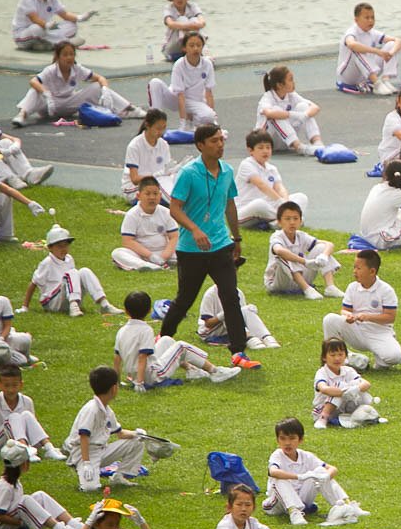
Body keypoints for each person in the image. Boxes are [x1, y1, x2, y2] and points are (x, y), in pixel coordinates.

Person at [159, 124, 260, 370]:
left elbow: (230, 205)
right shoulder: (188, 173)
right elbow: (174, 208)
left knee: (230, 296)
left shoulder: (226, 171)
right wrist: (194, 230)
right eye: (214, 141)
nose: (220, 145)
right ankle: (163, 340)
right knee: (185, 299)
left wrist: (236, 239)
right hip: (191, 249)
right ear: (200, 145)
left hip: (220, 246)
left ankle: (238, 352)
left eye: (221, 140)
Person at [114, 290, 240, 390]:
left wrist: (117, 382)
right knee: (181, 346)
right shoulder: (145, 330)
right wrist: (140, 383)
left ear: (126, 310)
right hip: (150, 376)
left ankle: (192, 370)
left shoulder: (122, 331)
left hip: (134, 375)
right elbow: (142, 357)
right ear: (148, 311)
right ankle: (215, 371)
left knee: (166, 340)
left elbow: (117, 359)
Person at [12, 42, 143, 128]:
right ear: (58, 57)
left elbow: (99, 78)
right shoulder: (51, 70)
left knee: (96, 87)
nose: (69, 58)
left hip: (70, 103)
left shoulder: (77, 69)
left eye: (71, 54)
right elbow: (33, 81)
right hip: (50, 104)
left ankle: (130, 109)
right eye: (65, 55)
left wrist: (105, 90)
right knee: (34, 91)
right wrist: (46, 93)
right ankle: (22, 115)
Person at [264, 417, 366, 525]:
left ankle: (344, 506)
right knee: (279, 479)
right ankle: (294, 512)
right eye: (283, 438)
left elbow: (333, 469)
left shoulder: (306, 456)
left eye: (292, 438)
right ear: (277, 440)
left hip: (302, 499)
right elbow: (273, 472)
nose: (287, 443)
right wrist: (298, 476)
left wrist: (326, 477)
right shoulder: (277, 455)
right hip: (277, 504)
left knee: (320, 472)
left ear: (301, 439)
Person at [63, 366, 147, 491]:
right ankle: (84, 471)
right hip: (84, 453)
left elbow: (120, 434)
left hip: (101, 450)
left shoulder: (107, 410)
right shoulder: (91, 409)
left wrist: (138, 434)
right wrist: (86, 463)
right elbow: (83, 436)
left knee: (138, 441)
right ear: (114, 388)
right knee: (90, 488)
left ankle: (120, 476)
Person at [322, 250, 401, 369]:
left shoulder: (386, 290)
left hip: (379, 332)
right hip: (356, 330)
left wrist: (367, 317)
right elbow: (344, 310)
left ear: (372, 271)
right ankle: (341, 358)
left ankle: (377, 362)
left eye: (359, 268)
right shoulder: (352, 287)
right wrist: (348, 316)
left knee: (394, 356)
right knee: (329, 319)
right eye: (354, 267)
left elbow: (390, 317)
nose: (354, 271)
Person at [24, 224, 122, 317]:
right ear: (50, 248)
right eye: (59, 246)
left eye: (65, 245)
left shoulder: (69, 259)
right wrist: (25, 306)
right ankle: (73, 306)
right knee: (73, 272)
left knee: (84, 271)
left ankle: (104, 304)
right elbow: (34, 283)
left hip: (65, 297)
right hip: (52, 303)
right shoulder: (47, 263)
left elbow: (73, 281)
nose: (63, 249)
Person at [0, 440, 79, 529]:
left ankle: (73, 523)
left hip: (6, 523)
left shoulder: (14, 482)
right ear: (24, 464)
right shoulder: (5, 487)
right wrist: (20, 523)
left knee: (40, 495)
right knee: (25, 500)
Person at [264, 202, 342, 300]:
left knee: (321, 248)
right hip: (279, 283)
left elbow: (329, 244)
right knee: (285, 256)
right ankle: (307, 289)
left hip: (299, 279)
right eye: (287, 219)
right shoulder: (277, 236)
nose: (292, 222)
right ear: (279, 222)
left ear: (301, 221)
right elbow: (279, 251)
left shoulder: (301, 236)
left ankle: (330, 287)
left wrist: (324, 256)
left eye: (295, 219)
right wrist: (304, 261)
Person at [235, 130, 310, 227]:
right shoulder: (246, 164)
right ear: (251, 150)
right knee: (259, 204)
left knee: (301, 197)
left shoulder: (272, 168)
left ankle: (280, 221)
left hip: (269, 206)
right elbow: (261, 185)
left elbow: (279, 187)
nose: (265, 151)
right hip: (246, 209)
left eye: (268, 147)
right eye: (261, 148)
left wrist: (286, 202)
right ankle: (289, 219)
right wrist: (280, 202)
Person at [146, 32, 216, 130]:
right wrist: (182, 123)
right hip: (175, 98)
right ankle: (154, 123)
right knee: (155, 83)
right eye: (191, 45)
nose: (195, 48)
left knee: (209, 116)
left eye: (199, 45)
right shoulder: (179, 65)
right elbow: (180, 95)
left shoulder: (207, 64)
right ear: (184, 48)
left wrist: (212, 117)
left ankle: (194, 122)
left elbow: (209, 93)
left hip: (195, 102)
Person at [12, 0, 91, 52]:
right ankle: (65, 43)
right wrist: (46, 25)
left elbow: (64, 14)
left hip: (45, 31)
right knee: (37, 28)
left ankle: (44, 45)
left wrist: (81, 17)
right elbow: (34, 19)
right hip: (23, 36)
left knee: (71, 25)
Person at [0, 364, 64, 460]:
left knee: (26, 415)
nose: (10, 390)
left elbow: (31, 426)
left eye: (14, 385)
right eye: (6, 386)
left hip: (18, 439)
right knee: (13, 417)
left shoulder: (27, 401)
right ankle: (25, 450)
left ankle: (49, 447)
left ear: (21, 384)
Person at [112, 177, 178, 271]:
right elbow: (128, 241)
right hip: (140, 254)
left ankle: (162, 263)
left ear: (160, 195)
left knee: (188, 249)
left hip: (164, 252)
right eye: (147, 194)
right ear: (138, 196)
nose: (152, 197)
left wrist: (164, 257)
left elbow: (174, 237)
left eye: (155, 194)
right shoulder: (132, 215)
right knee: (117, 253)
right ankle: (150, 266)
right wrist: (150, 256)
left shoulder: (166, 213)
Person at [336, 2, 401, 95]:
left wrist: (390, 54)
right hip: (348, 76)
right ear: (356, 20)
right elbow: (352, 44)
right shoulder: (351, 32)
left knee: (391, 44)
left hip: (365, 74)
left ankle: (386, 80)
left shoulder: (372, 32)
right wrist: (378, 52)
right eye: (367, 18)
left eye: (372, 17)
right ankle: (377, 84)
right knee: (356, 49)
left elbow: (398, 41)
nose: (370, 21)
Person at [256, 66, 323, 156]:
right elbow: (269, 113)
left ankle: (318, 143)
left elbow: (315, 107)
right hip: (266, 142)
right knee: (276, 112)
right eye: (290, 80)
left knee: (303, 106)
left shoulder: (291, 95)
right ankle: (299, 147)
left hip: (285, 140)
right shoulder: (268, 97)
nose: (293, 83)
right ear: (279, 85)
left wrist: (305, 115)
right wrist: (295, 115)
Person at [311, 339, 377, 429]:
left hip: (344, 407)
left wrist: (355, 389)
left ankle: (369, 415)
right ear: (324, 357)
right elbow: (324, 389)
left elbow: (366, 384)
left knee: (356, 384)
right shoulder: (322, 372)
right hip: (324, 408)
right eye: (332, 355)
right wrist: (344, 392)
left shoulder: (348, 370)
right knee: (340, 386)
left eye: (340, 354)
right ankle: (323, 417)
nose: (337, 358)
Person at [198, 279, 278, 350]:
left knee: (246, 309)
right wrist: (224, 314)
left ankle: (265, 336)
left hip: (229, 328)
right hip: (210, 332)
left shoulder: (238, 292)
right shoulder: (211, 294)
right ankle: (248, 338)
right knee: (231, 312)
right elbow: (208, 324)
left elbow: (242, 317)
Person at [121, 109, 177, 205]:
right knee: (163, 193)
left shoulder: (163, 145)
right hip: (134, 188)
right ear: (147, 125)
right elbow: (134, 179)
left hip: (156, 184)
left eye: (164, 128)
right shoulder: (135, 146)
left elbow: (166, 171)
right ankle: (177, 206)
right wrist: (156, 176)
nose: (161, 132)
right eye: (158, 128)